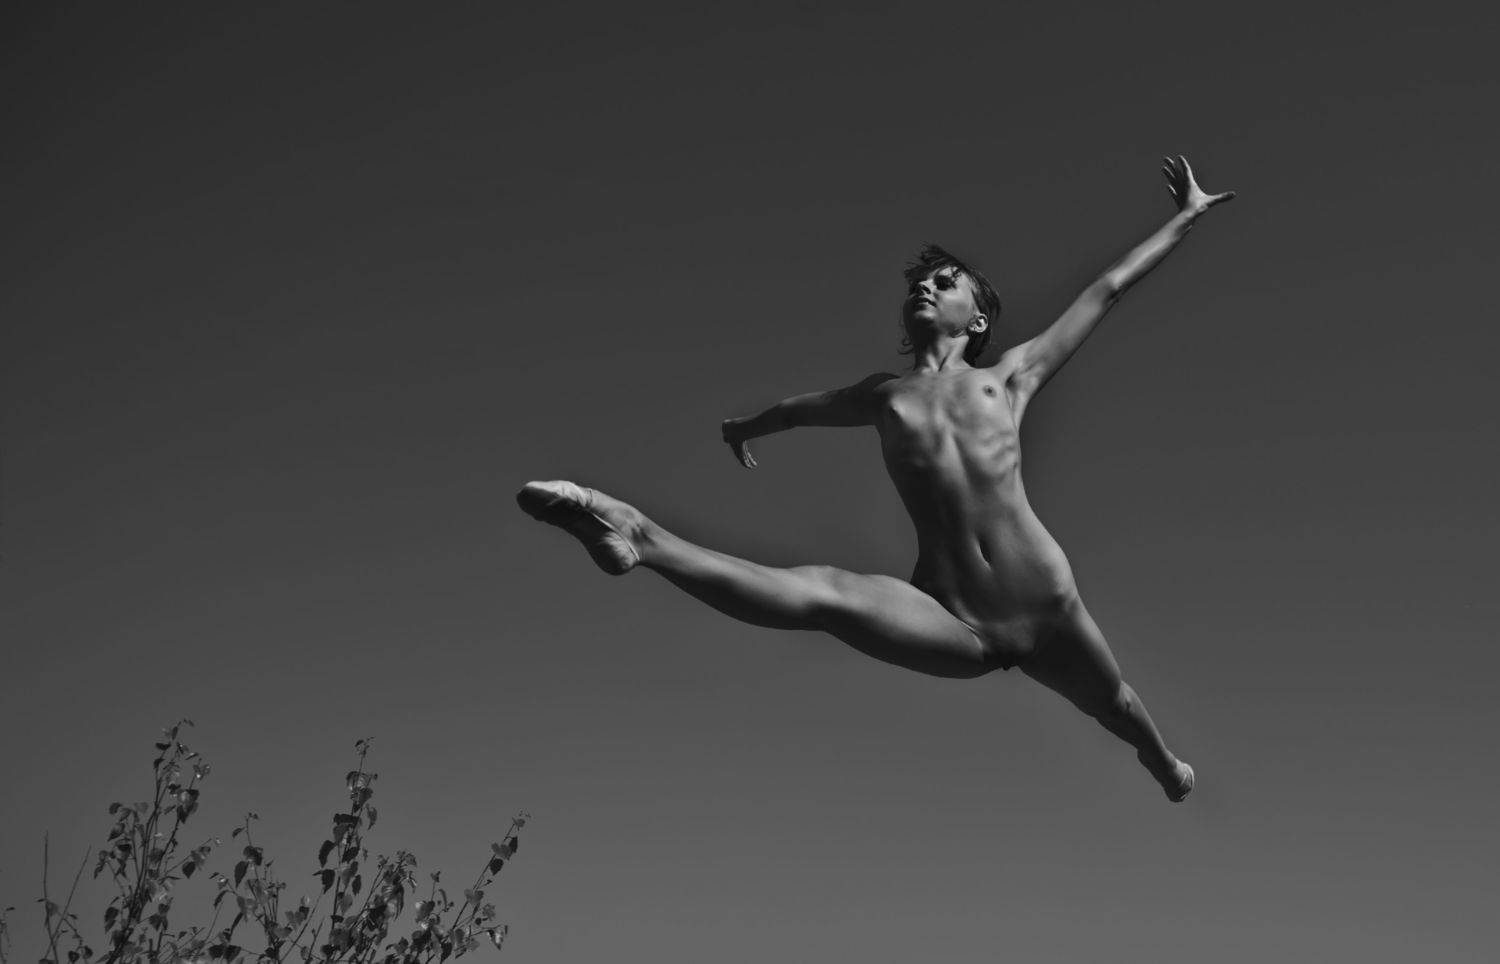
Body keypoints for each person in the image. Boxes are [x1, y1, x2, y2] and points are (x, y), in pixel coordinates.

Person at [519, 155, 1235, 801]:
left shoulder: (1010, 376)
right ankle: (639, 537)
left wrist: (1186, 217)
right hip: (954, 617)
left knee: (1117, 706)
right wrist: (746, 428)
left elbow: (1106, 289)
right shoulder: (882, 395)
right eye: (921, 282)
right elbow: (800, 410)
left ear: (976, 319)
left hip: (1046, 602)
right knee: (825, 593)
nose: (926, 285)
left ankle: (1166, 765)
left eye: (945, 283)